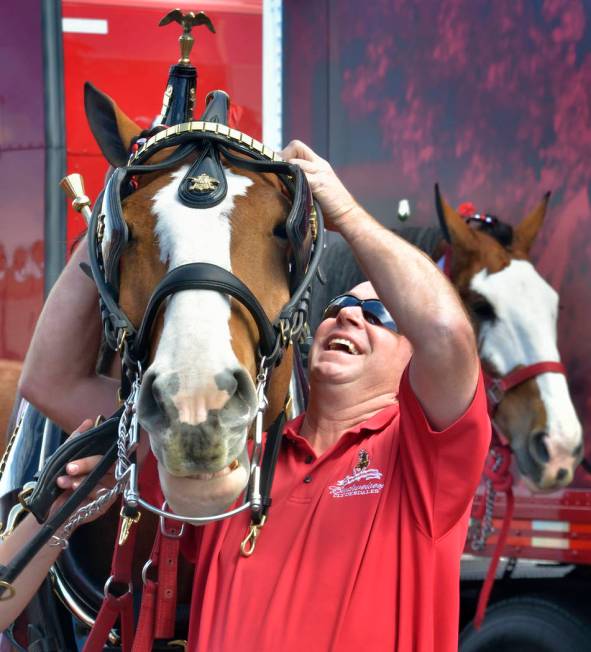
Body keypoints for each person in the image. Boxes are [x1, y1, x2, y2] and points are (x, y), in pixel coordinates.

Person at [16, 140, 490, 651]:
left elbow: (444, 332)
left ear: (413, 362)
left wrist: (349, 217)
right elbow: (52, 383)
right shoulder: (234, 453)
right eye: (336, 306)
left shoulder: (425, 465)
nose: (350, 314)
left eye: (379, 316)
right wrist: (119, 212)